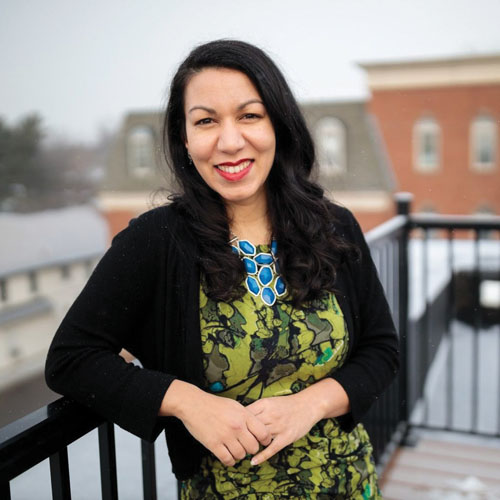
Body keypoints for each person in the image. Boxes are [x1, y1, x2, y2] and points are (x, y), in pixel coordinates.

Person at [45, 39, 399, 499]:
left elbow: (381, 350)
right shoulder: (156, 241)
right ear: (184, 138)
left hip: (348, 483)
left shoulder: (334, 227)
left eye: (249, 116)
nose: (229, 142)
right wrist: (186, 402)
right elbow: (71, 359)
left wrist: (310, 405)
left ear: (278, 125)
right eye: (206, 121)